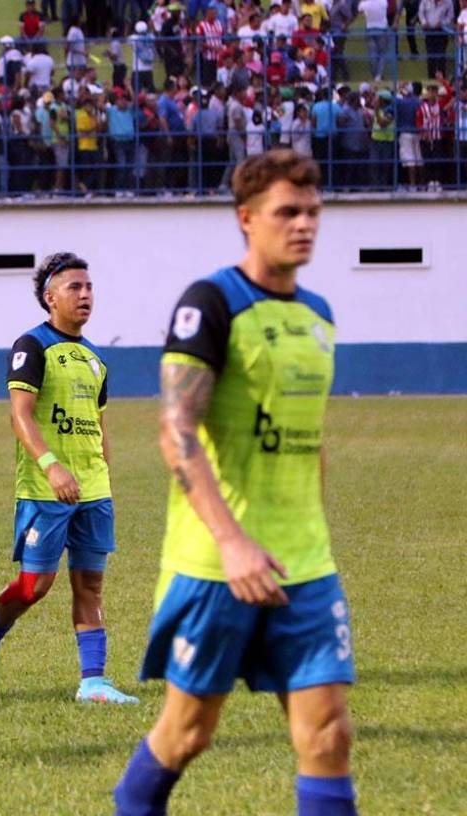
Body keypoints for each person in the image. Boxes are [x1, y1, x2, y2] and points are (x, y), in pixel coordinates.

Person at [112, 150, 357, 816]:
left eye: (312, 212)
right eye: (287, 212)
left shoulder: (320, 315)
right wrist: (233, 543)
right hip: (216, 563)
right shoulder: (212, 303)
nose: (304, 224)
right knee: (188, 733)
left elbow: (310, 443)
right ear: (247, 218)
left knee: (329, 734)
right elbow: (176, 432)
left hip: (304, 562)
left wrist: (313, 532)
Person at [0, 252, 138, 703]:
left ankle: (93, 681)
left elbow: (99, 426)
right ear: (50, 297)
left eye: (89, 287)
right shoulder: (32, 346)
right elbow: (19, 416)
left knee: (90, 584)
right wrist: (51, 466)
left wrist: (104, 473)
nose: (85, 295)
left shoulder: (96, 358)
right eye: (74, 288)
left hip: (93, 490)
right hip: (46, 489)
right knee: (34, 586)